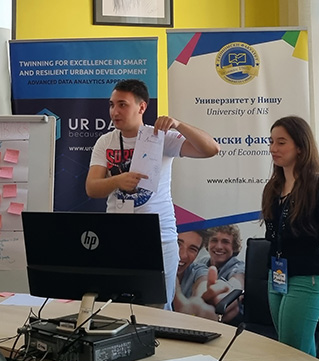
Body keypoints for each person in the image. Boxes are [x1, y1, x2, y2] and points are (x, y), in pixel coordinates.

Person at [86, 79, 219, 307]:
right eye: (111, 105)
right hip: (117, 238)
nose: (114, 112)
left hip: (159, 239)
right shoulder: (105, 141)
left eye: (122, 105)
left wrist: (178, 124)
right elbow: (92, 188)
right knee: (116, 308)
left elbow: (211, 149)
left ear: (142, 107)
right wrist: (117, 180)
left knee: (157, 310)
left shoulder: (160, 137)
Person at [260, 116, 319, 355]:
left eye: (281, 143)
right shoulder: (273, 188)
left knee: (290, 353)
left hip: (306, 281)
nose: (273, 148)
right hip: (277, 276)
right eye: (271, 142)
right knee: (296, 350)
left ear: (300, 147)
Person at [172, 228, 208, 313]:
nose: (183, 255)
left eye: (192, 249)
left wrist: (199, 301)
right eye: (178, 244)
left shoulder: (197, 271)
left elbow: (203, 283)